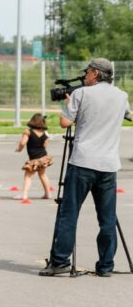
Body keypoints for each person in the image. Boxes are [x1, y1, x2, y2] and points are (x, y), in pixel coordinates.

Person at [41, 58, 132, 277]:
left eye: (87, 73)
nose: (85, 76)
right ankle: (106, 265)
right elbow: (129, 116)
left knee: (69, 213)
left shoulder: (81, 94)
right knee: (107, 218)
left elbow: (64, 123)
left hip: (82, 163)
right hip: (108, 165)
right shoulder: (121, 96)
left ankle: (60, 261)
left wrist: (68, 103)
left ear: (95, 73)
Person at [15, 113, 52, 201]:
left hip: (34, 158)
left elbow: (23, 143)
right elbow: (46, 145)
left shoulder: (28, 132)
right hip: (43, 157)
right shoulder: (45, 133)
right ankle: (48, 193)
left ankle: (24, 194)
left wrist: (19, 149)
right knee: (42, 175)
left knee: (28, 176)